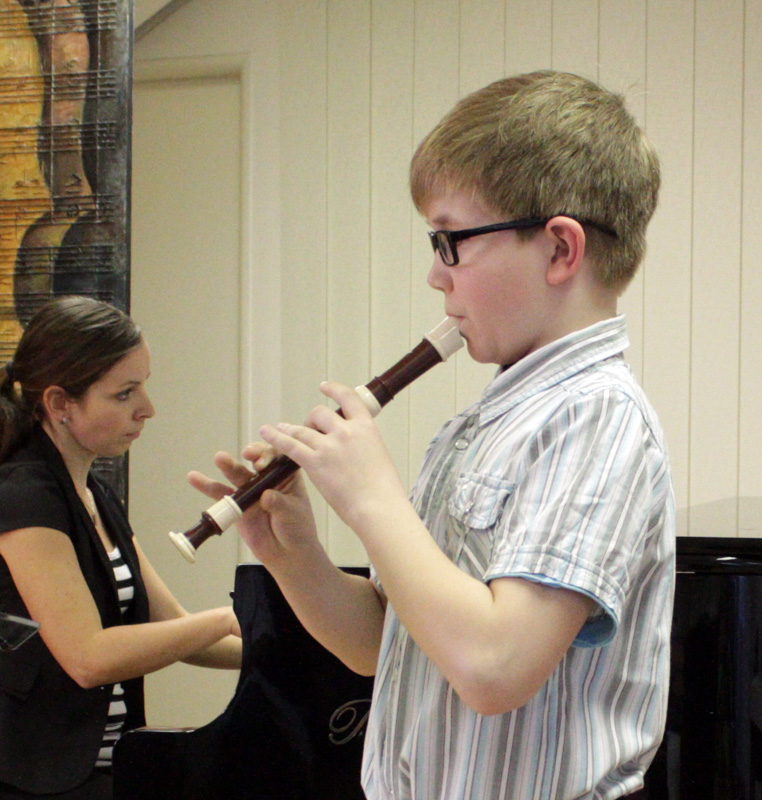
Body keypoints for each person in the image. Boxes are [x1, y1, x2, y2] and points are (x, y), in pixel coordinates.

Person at [193, 70, 675, 799]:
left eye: (450, 241)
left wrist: (372, 499)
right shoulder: (478, 425)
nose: (434, 275)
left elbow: (494, 668)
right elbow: (383, 646)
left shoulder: (595, 416)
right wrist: (293, 554)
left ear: (559, 250)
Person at [0, 296, 241, 799]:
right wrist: (226, 618)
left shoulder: (96, 494)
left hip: (105, 771)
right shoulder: (25, 495)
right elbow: (88, 657)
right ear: (60, 404)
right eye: (125, 393)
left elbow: (174, 628)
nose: (147, 408)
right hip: (35, 780)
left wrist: (291, 650)